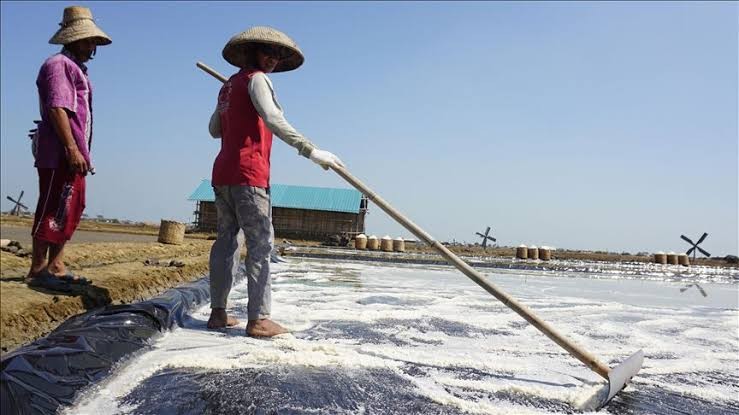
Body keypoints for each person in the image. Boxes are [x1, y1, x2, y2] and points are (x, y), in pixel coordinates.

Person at [207, 26, 344, 336]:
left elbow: (215, 129)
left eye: (279, 56)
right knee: (259, 245)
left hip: (223, 173)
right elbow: (273, 119)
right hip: (248, 174)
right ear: (252, 52)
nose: (273, 60)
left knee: (227, 241)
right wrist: (310, 150)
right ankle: (258, 319)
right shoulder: (257, 80)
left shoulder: (228, 86)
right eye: (268, 53)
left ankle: (218, 313)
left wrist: (236, 106)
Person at [25, 6, 111, 292]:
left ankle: (56, 265)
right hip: (60, 151)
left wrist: (80, 151)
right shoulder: (57, 65)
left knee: (71, 206)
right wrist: (71, 148)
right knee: (53, 205)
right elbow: (58, 108)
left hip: (75, 151)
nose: (91, 47)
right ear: (72, 39)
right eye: (87, 41)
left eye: (92, 42)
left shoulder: (77, 70)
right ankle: (38, 268)